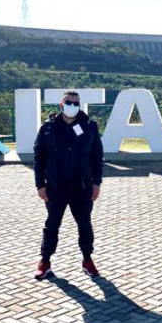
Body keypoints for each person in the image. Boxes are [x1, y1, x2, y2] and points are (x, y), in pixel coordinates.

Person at [33, 91, 104, 279]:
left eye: (76, 103)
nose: (73, 106)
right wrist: (40, 185)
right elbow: (39, 157)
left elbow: (97, 157)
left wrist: (96, 183)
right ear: (61, 104)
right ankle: (45, 261)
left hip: (81, 187)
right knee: (52, 224)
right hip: (55, 187)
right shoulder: (48, 128)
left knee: (84, 224)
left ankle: (87, 260)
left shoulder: (89, 127)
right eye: (69, 102)